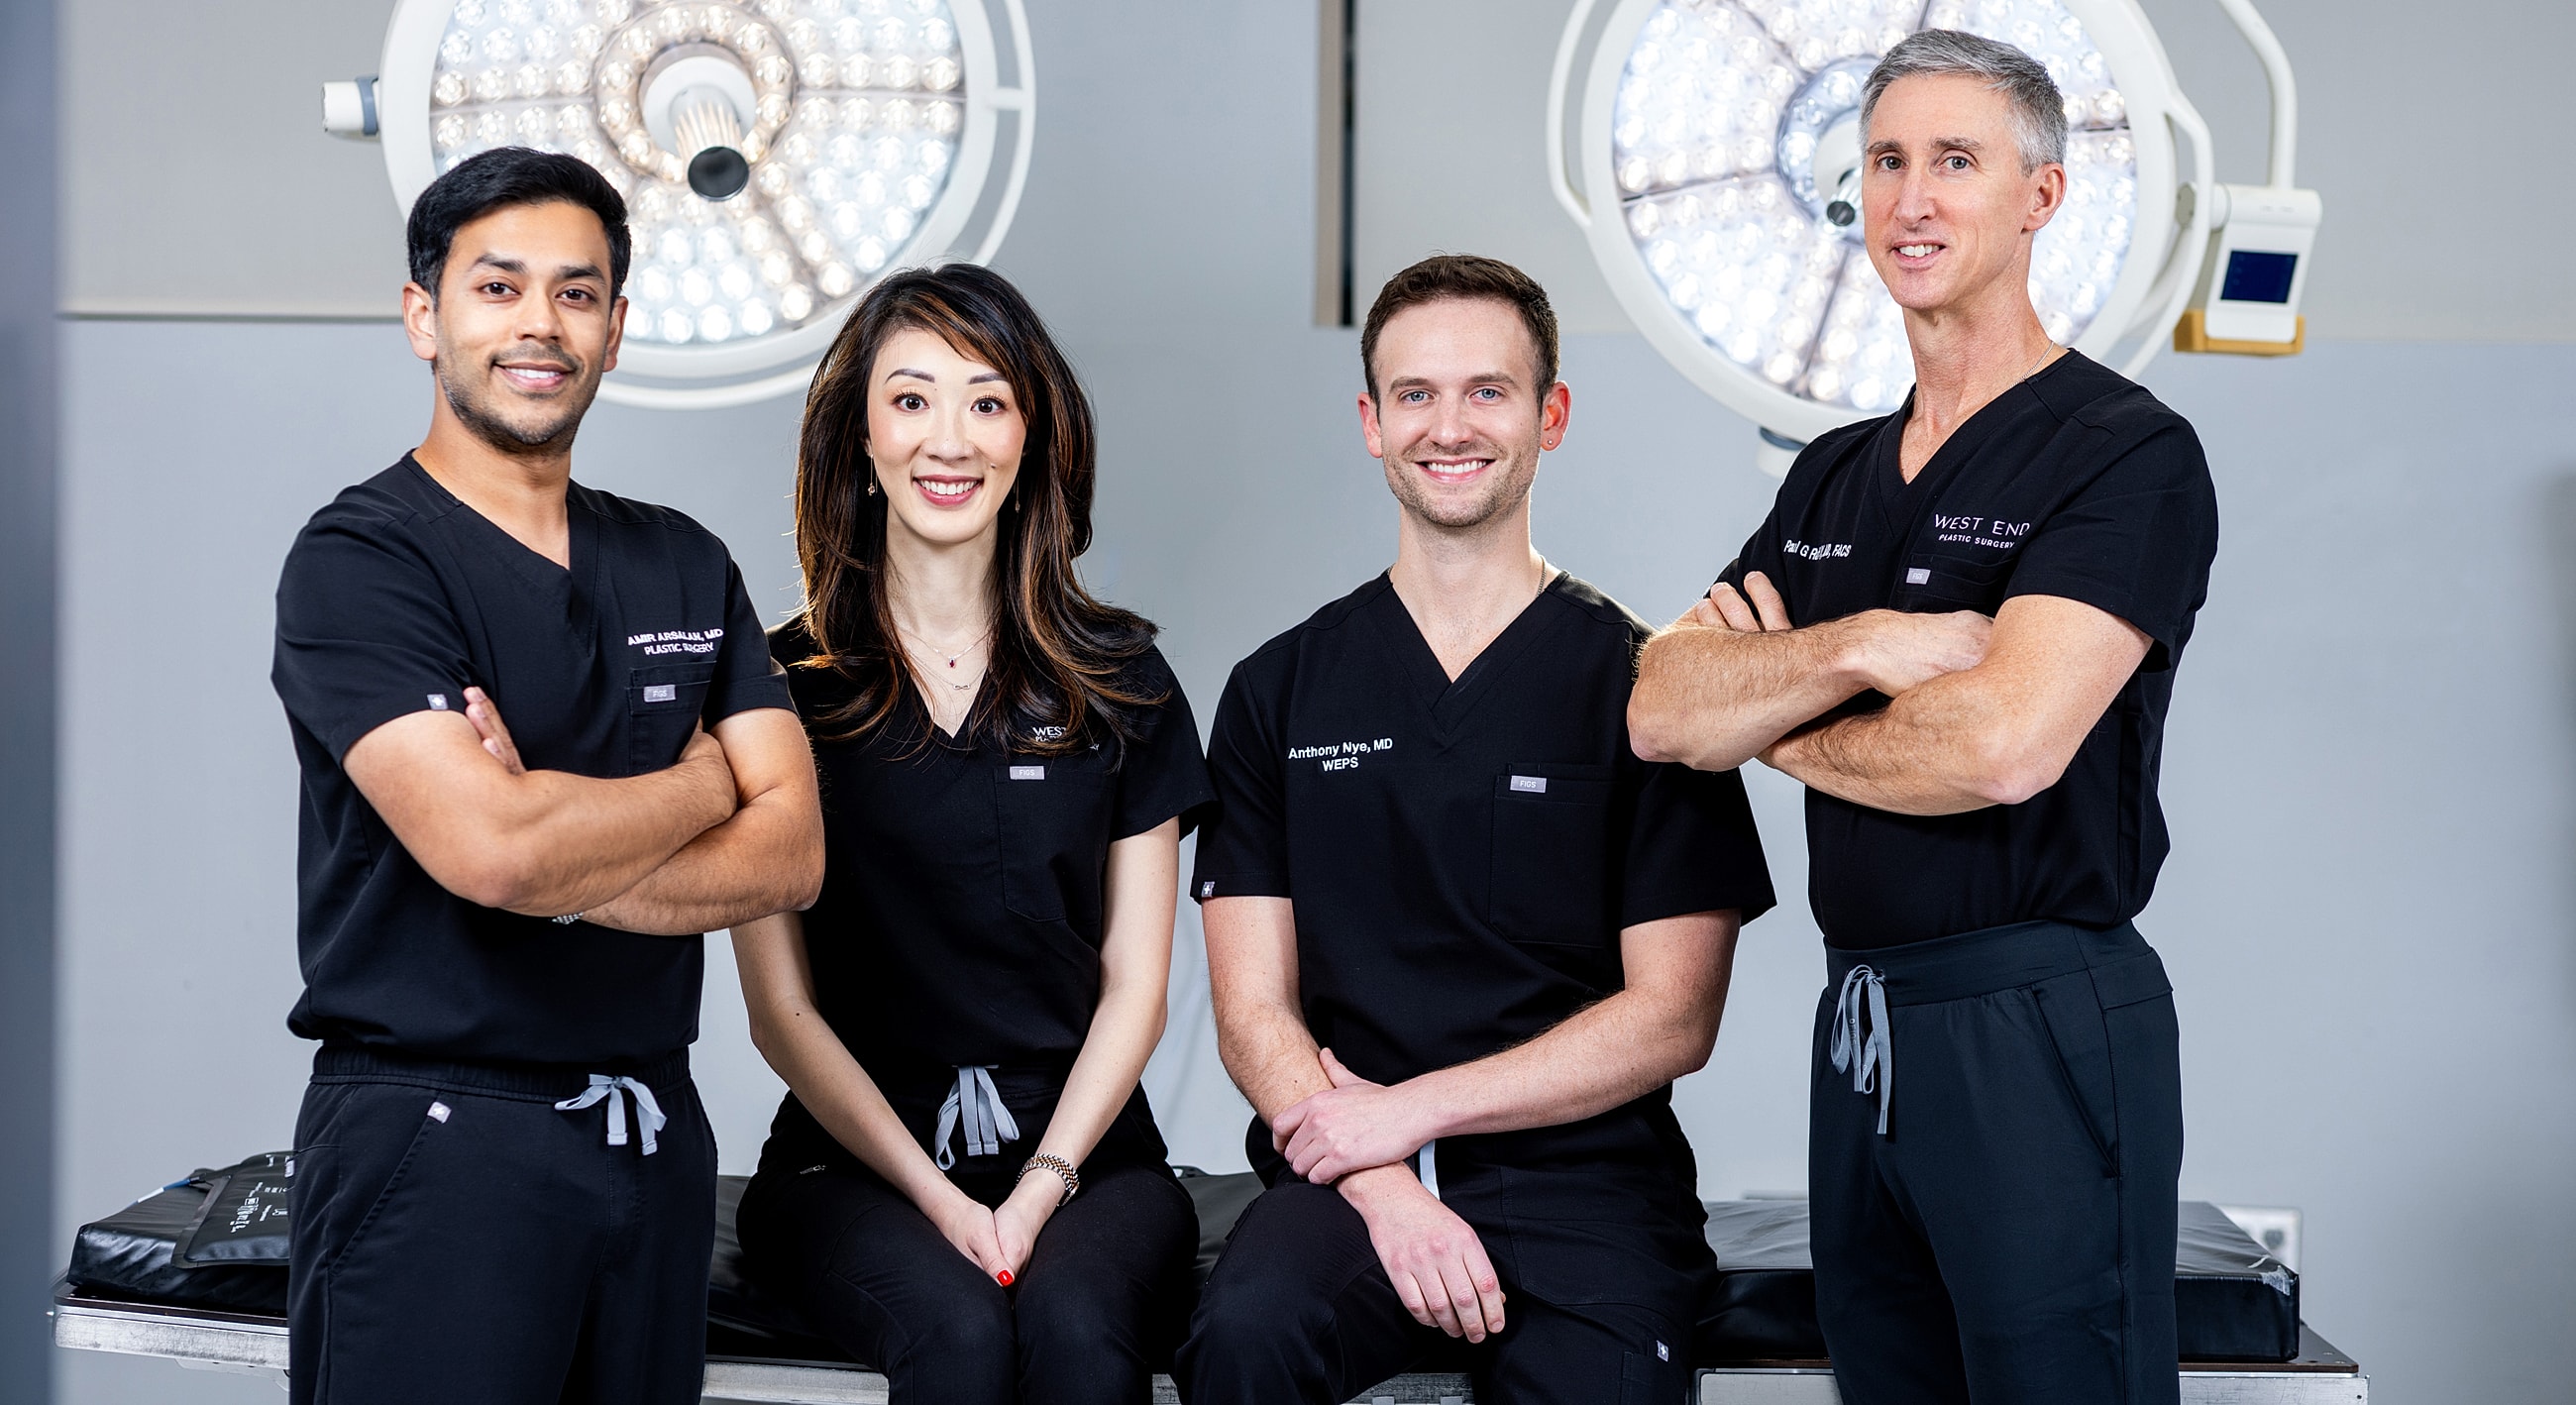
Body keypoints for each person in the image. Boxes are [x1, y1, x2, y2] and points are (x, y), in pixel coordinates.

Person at [1629, 31, 2220, 1405]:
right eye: (1887, 160)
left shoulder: (2121, 452)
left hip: (2039, 1016)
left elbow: (2001, 746)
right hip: (1866, 1024)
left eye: (1956, 161)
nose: (1910, 199)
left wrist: (1774, 718)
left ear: (2042, 196)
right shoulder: (1834, 476)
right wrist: (1875, 646)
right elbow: (1664, 704)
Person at [268, 147, 823, 1405]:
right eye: (498, 286)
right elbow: (494, 850)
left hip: (651, 1133)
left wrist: (562, 839)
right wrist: (696, 787)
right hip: (438, 1132)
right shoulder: (363, 561)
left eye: (577, 294)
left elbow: (792, 849)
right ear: (425, 315)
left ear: (617, 331)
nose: (539, 324)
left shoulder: (680, 560)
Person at [1177, 255, 1776, 1405]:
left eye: (1486, 391)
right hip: (1344, 1179)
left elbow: (1671, 1015)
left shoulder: (1646, 686)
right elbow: (1253, 1010)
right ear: (1369, 422)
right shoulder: (1279, 689)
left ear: (1549, 414)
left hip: (1585, 1185)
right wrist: (1384, 1176)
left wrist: (1409, 1111)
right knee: (1244, 1339)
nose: (1447, 425)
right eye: (1414, 394)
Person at [731, 264, 1212, 1405]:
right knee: (954, 1335)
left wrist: (1041, 1183)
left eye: (986, 400)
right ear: (856, 437)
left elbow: (1135, 987)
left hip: (1090, 1157)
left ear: (1032, 437)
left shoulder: (1120, 682)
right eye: (910, 398)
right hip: (848, 1166)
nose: (949, 438)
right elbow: (779, 1009)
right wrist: (938, 1195)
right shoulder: (772, 687)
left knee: (1080, 1330)